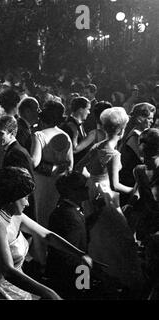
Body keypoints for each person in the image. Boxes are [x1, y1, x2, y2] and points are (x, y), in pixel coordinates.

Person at [0, 166, 92, 300]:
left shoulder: (15, 215)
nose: (27, 203)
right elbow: (8, 271)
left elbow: (47, 235)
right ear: (12, 197)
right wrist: (49, 293)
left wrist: (80, 254)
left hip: (17, 287)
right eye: (25, 198)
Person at [76, 107, 143, 295]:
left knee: (97, 238)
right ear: (122, 130)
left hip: (92, 192)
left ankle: (92, 282)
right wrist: (135, 188)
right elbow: (115, 185)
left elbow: (80, 168)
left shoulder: (98, 146)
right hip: (106, 197)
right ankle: (115, 281)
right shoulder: (114, 154)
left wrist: (94, 181)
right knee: (121, 238)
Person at [45, 171, 90, 299]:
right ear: (72, 192)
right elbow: (70, 254)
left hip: (74, 271)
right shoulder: (69, 217)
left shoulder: (71, 211)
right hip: (72, 275)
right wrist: (83, 280)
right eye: (83, 187)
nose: (87, 189)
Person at [31, 101, 73, 229]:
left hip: (42, 184)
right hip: (59, 184)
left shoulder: (39, 135)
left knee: (41, 221)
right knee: (55, 222)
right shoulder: (65, 135)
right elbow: (70, 166)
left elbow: (34, 162)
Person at [127, 128, 159, 242]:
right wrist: (131, 204)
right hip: (147, 224)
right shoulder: (139, 171)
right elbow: (138, 189)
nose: (145, 160)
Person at [120, 103, 156, 194]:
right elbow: (144, 159)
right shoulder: (135, 136)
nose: (152, 121)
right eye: (149, 119)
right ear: (139, 119)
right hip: (130, 182)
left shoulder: (140, 134)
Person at [60, 96, 91, 166]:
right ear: (81, 110)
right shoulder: (69, 125)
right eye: (88, 109)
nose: (89, 112)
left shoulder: (80, 123)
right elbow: (71, 150)